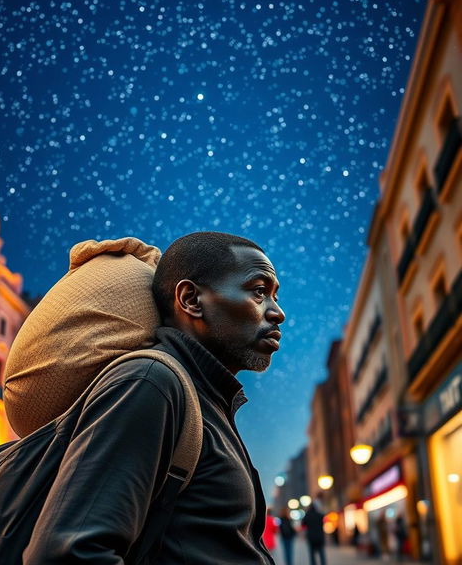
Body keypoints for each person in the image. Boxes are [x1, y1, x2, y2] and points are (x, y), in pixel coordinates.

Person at [23, 231, 285, 563]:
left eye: (275, 296)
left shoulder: (204, 399)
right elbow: (67, 554)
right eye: (259, 292)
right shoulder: (151, 383)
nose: (278, 312)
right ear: (190, 299)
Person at [303, 499, 326, 565]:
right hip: (320, 537)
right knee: (321, 553)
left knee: (312, 554)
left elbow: (303, 524)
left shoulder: (307, 516)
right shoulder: (320, 515)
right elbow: (323, 523)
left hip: (311, 537)